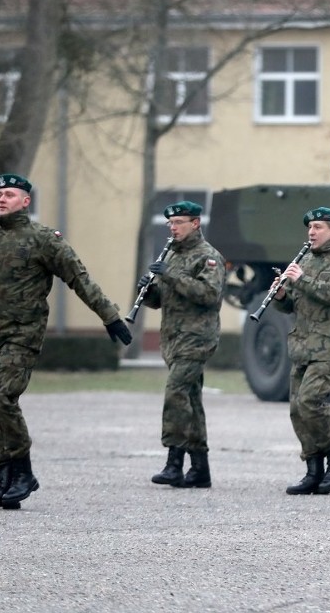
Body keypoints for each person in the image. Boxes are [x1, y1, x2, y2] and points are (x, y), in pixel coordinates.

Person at [0, 173, 132, 510]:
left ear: (26, 201)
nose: (2, 199)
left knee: (1, 396)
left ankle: (24, 472)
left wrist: (109, 316)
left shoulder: (43, 239)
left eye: (9, 194)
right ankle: (5, 479)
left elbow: (78, 277)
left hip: (22, 334)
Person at [274, 206, 330, 495]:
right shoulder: (306, 260)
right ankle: (313, 469)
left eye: (318, 227)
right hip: (302, 343)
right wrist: (281, 295)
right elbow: (295, 305)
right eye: (310, 227)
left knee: (311, 401)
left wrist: (303, 280)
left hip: (329, 343)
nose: (311, 232)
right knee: (297, 410)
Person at [140, 201, 225, 490]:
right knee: (190, 399)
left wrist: (170, 276)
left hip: (197, 338)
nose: (173, 228)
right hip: (173, 338)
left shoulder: (208, 257)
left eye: (179, 223)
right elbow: (162, 299)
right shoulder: (172, 256)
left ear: (195, 224)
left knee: (176, 391)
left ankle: (174, 463)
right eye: (170, 224)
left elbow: (209, 294)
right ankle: (200, 469)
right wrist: (149, 290)